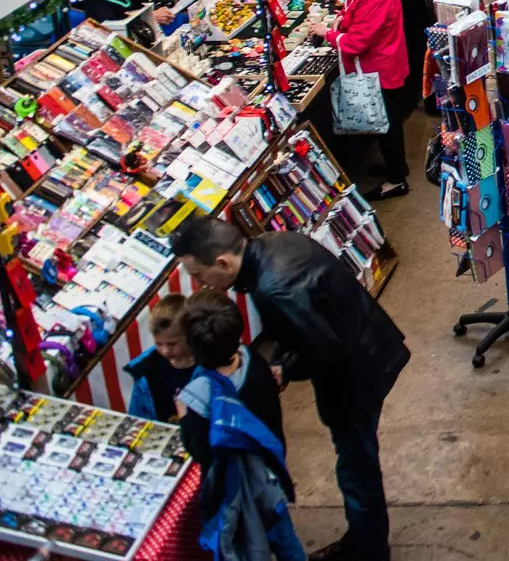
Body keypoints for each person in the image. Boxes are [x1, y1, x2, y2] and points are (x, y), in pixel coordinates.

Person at [172, 217, 409, 561]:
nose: (201, 283)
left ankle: (370, 549)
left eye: (199, 275)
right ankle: (363, 537)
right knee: (357, 465)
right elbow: (299, 328)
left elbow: (324, 349)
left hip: (355, 378)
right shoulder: (273, 244)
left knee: (357, 470)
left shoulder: (274, 287)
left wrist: (285, 369)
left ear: (222, 262)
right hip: (368, 346)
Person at [174, 293, 302, 561]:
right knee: (285, 537)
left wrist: (184, 416)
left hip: (234, 490)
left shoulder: (199, 393)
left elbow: (200, 450)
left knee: (246, 544)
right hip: (269, 474)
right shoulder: (253, 362)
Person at [312, 0, 412, 201]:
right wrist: (342, 20)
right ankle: (396, 165)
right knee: (389, 121)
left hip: (380, 68)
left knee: (387, 124)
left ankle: (397, 180)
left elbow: (358, 42)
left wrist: (329, 34)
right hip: (389, 60)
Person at [124, 294, 194, 423]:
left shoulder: (209, 361)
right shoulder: (148, 372)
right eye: (159, 344)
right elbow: (138, 417)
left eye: (172, 343)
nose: (165, 350)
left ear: (190, 334)